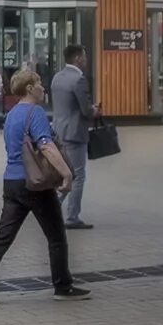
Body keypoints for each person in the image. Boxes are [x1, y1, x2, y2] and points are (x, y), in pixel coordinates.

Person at [0, 69, 91, 304]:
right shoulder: (36, 112)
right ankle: (63, 286)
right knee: (56, 236)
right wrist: (66, 174)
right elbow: (46, 145)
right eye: (40, 84)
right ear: (30, 89)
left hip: (11, 182)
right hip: (35, 184)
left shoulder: (12, 114)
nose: (43, 88)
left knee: (3, 236)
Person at [52, 44, 98, 229]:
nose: (86, 61)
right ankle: (72, 217)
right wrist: (94, 110)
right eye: (84, 57)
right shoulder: (79, 79)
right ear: (78, 58)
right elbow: (85, 110)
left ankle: (48, 208)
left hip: (59, 132)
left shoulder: (57, 77)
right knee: (77, 175)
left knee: (63, 172)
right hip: (75, 133)